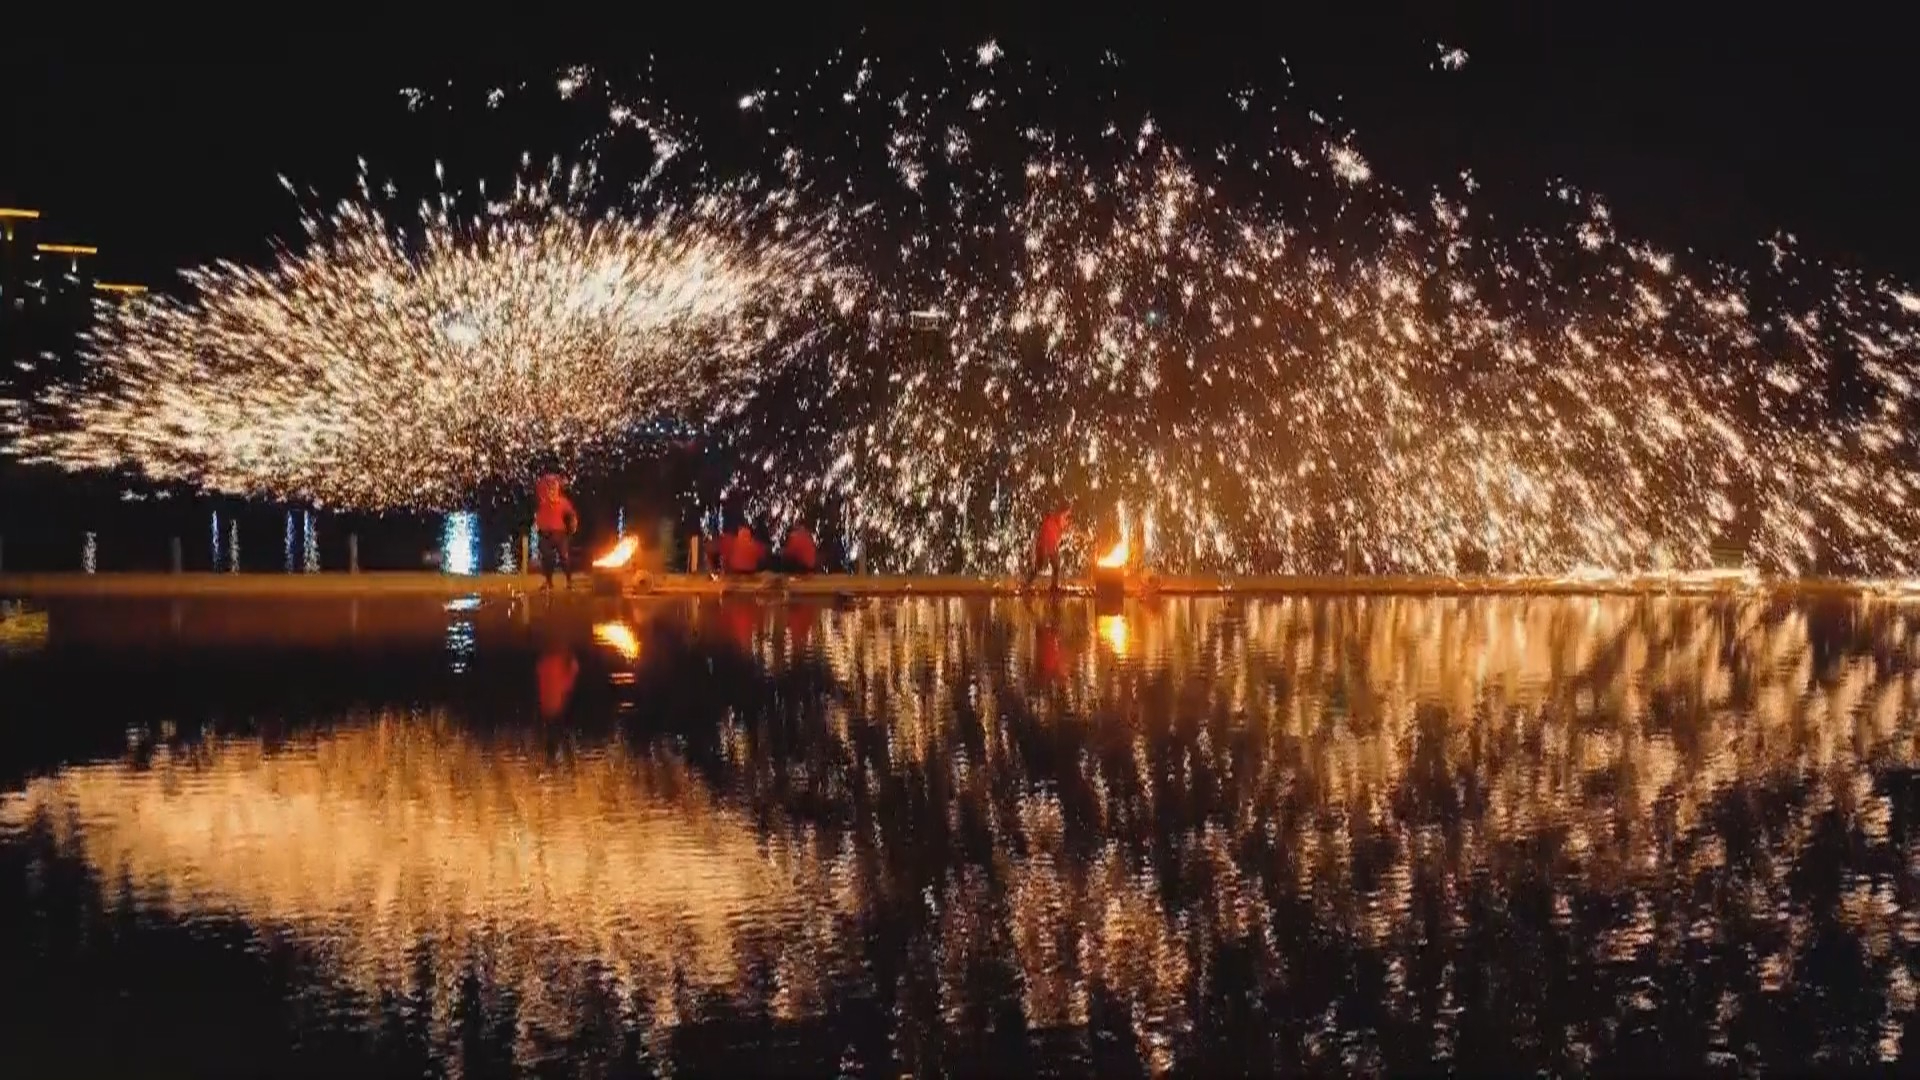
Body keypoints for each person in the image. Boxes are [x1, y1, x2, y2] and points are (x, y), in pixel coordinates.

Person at [533, 474, 579, 590]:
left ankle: (569, 581)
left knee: (564, 557)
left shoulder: (563, 502)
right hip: (546, 534)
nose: (551, 492)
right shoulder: (544, 504)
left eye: (554, 490)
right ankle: (548, 582)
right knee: (547, 557)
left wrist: (574, 524)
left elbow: (571, 514)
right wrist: (536, 525)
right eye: (550, 490)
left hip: (560, 534)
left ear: (557, 490)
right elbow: (538, 517)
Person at [1023, 502, 1071, 592]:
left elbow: (1065, 529)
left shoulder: (1056, 519)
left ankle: (1029, 584)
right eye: (1067, 513)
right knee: (1044, 566)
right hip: (1046, 544)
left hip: (1047, 544)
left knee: (1048, 566)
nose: (1068, 517)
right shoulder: (1055, 519)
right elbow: (1058, 529)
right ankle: (1028, 584)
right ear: (1062, 512)